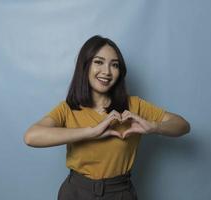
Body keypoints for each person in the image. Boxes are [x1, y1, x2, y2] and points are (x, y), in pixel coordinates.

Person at [23, 35, 190, 200]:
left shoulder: (134, 106)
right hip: (75, 193)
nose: (107, 72)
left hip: (120, 192)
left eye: (114, 65)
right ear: (85, 66)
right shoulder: (68, 108)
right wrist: (91, 132)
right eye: (99, 62)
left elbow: (182, 125)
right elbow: (31, 137)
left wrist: (154, 127)